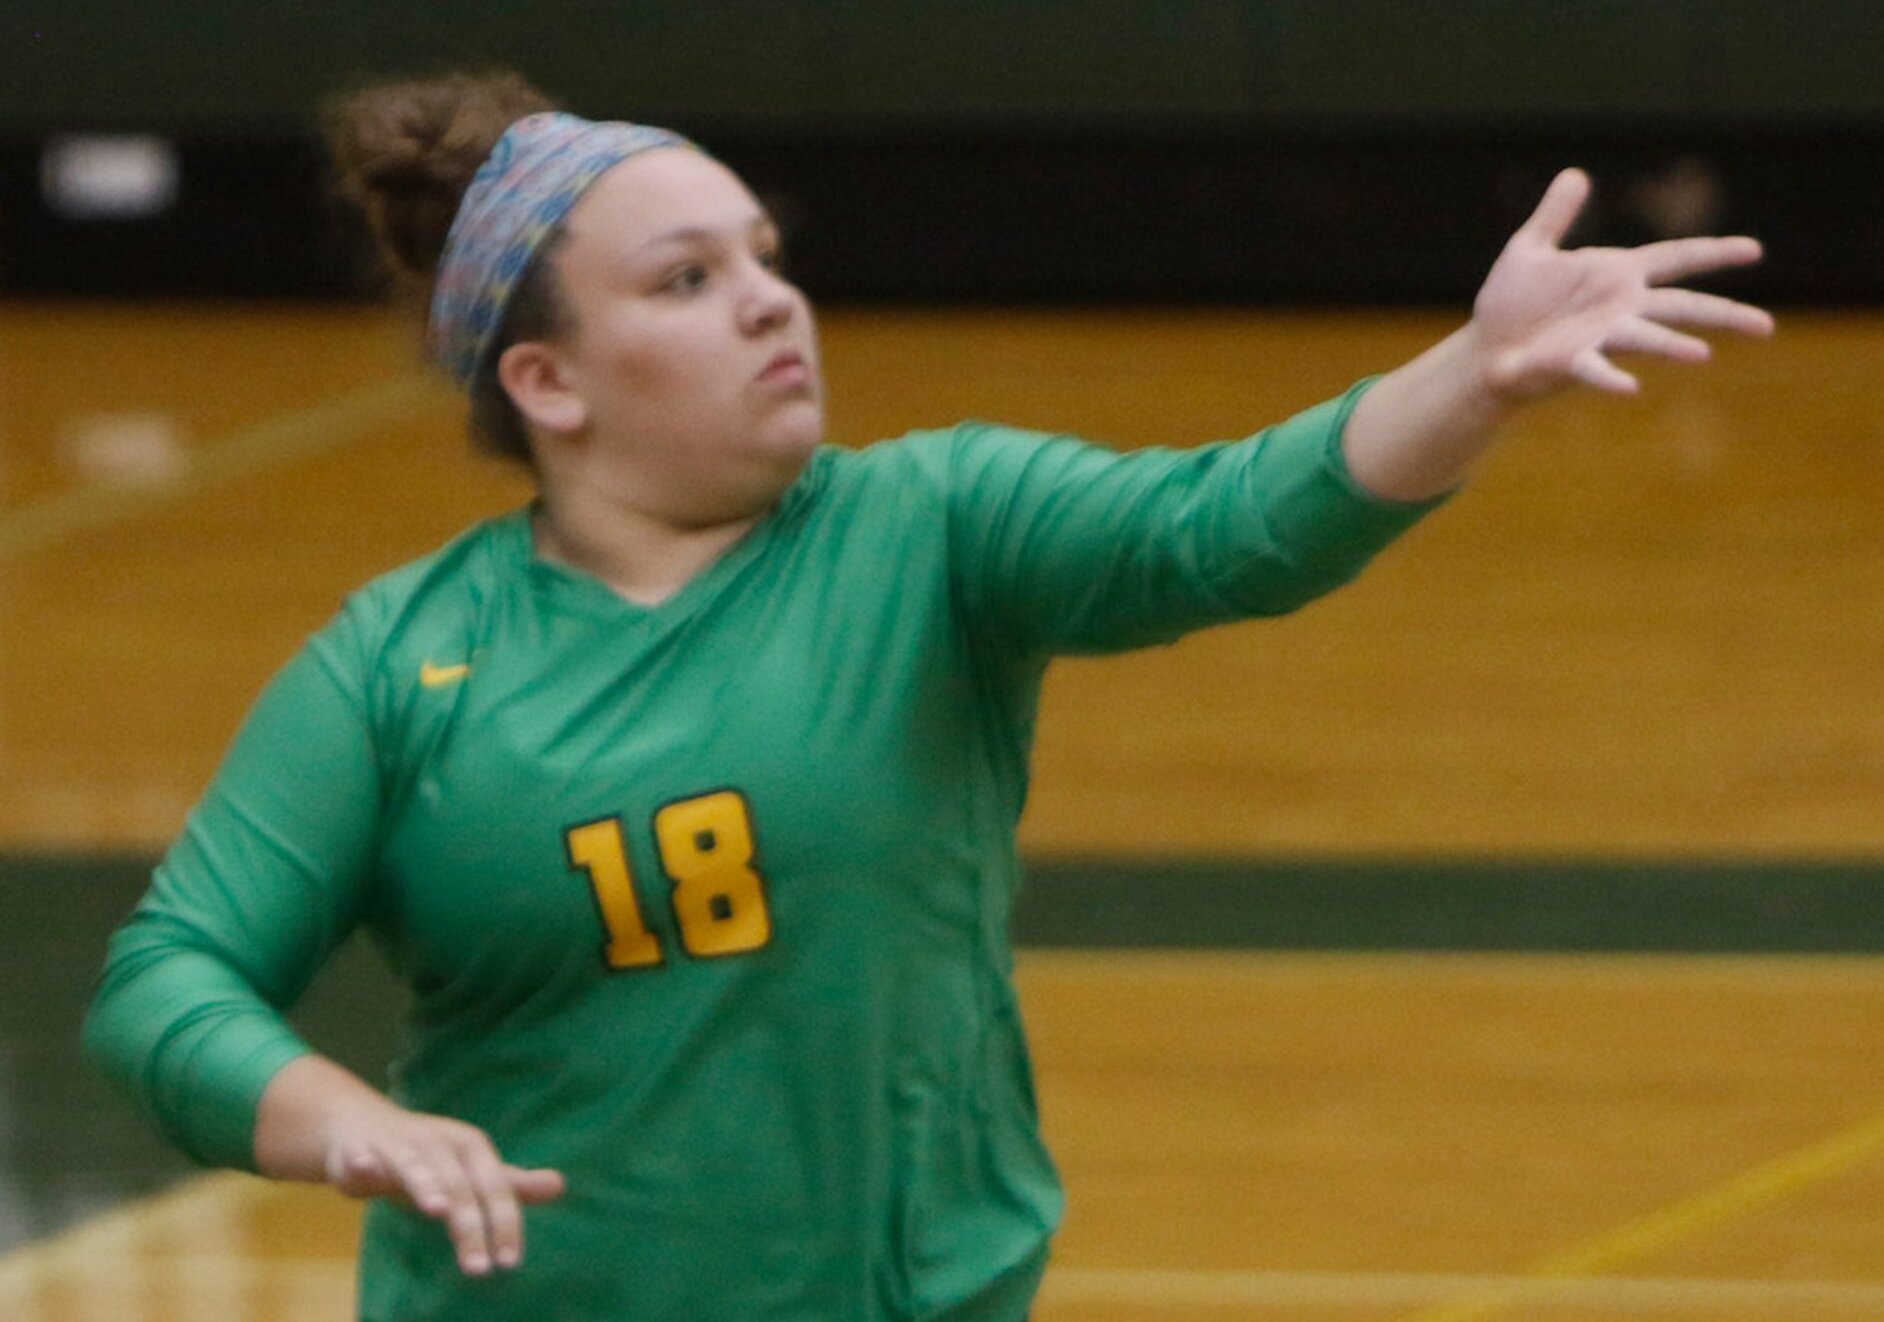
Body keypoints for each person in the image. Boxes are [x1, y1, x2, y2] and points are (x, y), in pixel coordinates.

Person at [83, 69, 1774, 1321]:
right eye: (685, 280)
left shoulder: (930, 528)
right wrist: (348, 1122)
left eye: (762, 254)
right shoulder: (402, 662)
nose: (769, 299)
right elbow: (171, 983)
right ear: (547, 382)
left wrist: (1471, 373)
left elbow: (1225, 528)